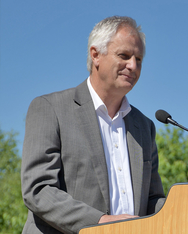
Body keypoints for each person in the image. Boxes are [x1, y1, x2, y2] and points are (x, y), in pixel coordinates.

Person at [21, 16, 165, 234]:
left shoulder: (144, 127)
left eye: (139, 59)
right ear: (95, 55)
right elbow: (38, 190)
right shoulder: (50, 108)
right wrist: (101, 222)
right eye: (124, 56)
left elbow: (152, 200)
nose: (133, 66)